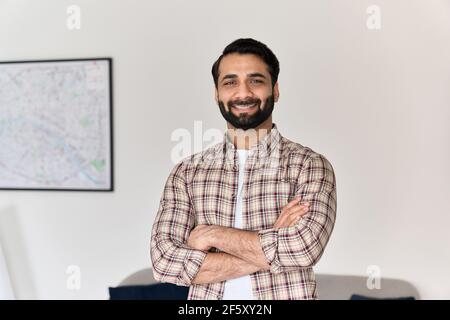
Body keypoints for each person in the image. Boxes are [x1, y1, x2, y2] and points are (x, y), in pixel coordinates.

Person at [150, 38, 337, 300]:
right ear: (217, 93)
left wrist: (209, 234)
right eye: (230, 82)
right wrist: (273, 237)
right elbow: (164, 262)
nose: (243, 92)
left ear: (276, 89)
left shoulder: (310, 166)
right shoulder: (187, 173)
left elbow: (304, 249)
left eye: (256, 80)